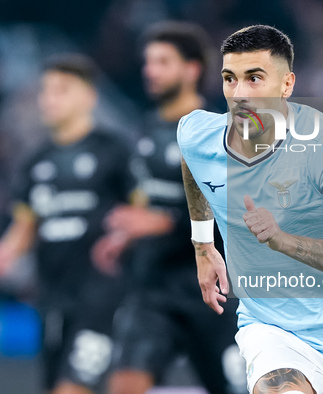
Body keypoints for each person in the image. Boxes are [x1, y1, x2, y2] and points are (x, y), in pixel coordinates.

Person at [178, 24, 323, 394]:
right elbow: (192, 161)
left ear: (286, 84)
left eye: (254, 78)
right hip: (273, 328)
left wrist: (282, 240)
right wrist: (203, 245)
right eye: (229, 79)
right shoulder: (199, 135)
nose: (239, 94)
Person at [92, 22, 245, 394]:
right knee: (125, 384)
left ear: (192, 69)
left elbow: (237, 212)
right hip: (153, 289)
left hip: (216, 292)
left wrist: (165, 224)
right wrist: (123, 234)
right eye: (148, 62)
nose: (150, 70)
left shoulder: (221, 132)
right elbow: (143, 199)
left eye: (162, 61)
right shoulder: (143, 131)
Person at [0, 54, 137, 394]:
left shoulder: (114, 152)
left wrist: (124, 236)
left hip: (102, 298)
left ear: (89, 96)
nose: (49, 99)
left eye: (62, 90)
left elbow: (140, 211)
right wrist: (5, 250)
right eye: (46, 90)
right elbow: (25, 226)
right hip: (52, 300)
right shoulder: (34, 163)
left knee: (72, 389)